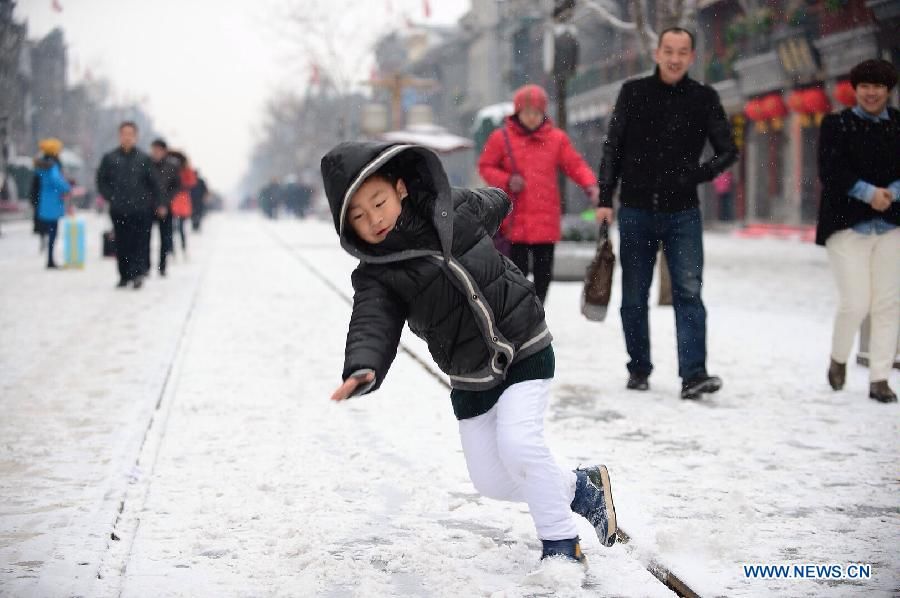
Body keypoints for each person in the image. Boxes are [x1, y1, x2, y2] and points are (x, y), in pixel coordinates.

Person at [321, 141, 618, 566]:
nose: (375, 219)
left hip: (524, 344)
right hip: (469, 374)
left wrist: (500, 205)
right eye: (359, 217)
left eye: (379, 202)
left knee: (519, 445)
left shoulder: (451, 209)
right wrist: (363, 368)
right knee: (492, 480)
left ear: (400, 188)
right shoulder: (378, 277)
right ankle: (579, 489)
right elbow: (372, 323)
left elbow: (495, 202)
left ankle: (561, 545)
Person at [595, 27, 738, 400]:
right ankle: (638, 368)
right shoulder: (634, 93)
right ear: (657, 53)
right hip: (636, 209)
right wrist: (605, 197)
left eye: (683, 52)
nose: (675, 58)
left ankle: (694, 375)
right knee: (633, 295)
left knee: (689, 293)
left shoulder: (704, 98)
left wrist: (698, 174)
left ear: (692, 57)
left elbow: (728, 150)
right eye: (668, 50)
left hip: (683, 212)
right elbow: (613, 146)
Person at [816, 59, 900, 403]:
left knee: (888, 303)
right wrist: (869, 193)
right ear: (855, 89)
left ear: (888, 90)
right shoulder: (837, 124)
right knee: (855, 302)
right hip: (846, 225)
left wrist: (891, 194)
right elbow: (831, 170)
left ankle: (879, 377)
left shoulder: (898, 125)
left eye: (878, 86)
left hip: (892, 224)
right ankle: (838, 358)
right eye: (865, 86)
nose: (871, 93)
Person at [478, 84, 599, 304]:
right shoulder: (501, 138)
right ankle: (518, 316)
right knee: (516, 276)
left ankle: (536, 314)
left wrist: (590, 184)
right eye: (527, 112)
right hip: (515, 223)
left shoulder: (556, 139)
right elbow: (485, 166)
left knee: (544, 277)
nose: (532, 118)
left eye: (536, 112)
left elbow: (575, 165)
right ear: (517, 112)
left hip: (545, 221)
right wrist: (506, 180)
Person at [96, 121, 160, 289]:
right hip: (119, 209)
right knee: (122, 243)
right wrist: (111, 197)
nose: (127, 137)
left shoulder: (144, 159)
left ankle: (138, 273)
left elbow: (154, 183)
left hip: (140, 209)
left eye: (130, 134)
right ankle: (124, 275)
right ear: (119, 136)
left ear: (136, 137)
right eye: (124, 134)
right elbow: (101, 181)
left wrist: (156, 203)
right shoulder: (110, 158)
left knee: (139, 242)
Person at [33, 138, 70, 269]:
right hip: (53, 200)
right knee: (53, 232)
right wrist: (67, 187)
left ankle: (49, 258)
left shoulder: (41, 165)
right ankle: (50, 260)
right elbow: (56, 180)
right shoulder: (53, 165)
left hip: (44, 200)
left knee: (49, 231)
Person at [150, 139, 181, 276]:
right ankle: (146, 266)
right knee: (145, 238)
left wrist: (165, 203)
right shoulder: (147, 164)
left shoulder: (172, 166)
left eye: (158, 150)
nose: (156, 153)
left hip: (167, 207)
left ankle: (162, 266)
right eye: (154, 150)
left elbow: (176, 186)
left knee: (165, 238)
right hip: (149, 207)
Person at [168, 151, 195, 254]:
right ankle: (176, 248)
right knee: (177, 227)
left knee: (177, 227)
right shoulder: (178, 169)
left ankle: (176, 248)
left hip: (179, 200)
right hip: (176, 200)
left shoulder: (182, 170)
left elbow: (191, 182)